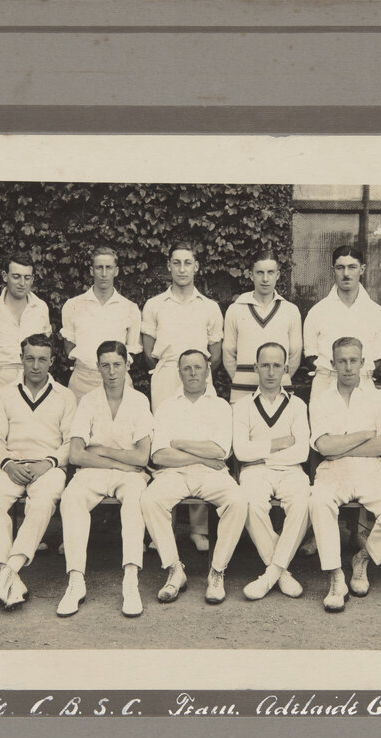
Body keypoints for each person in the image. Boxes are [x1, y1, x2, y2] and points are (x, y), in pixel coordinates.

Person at [308, 337, 381, 612]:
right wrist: (365, 434)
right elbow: (325, 448)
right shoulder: (320, 400)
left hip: (370, 470)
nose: (348, 367)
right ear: (333, 364)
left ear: (363, 363)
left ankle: (363, 558)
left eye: (354, 360)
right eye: (342, 361)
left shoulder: (379, 398)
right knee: (318, 502)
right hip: (333, 471)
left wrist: (343, 444)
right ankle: (336, 576)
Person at [140, 349, 248, 604]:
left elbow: (219, 451)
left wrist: (178, 443)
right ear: (179, 373)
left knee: (238, 500)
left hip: (212, 474)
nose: (192, 373)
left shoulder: (220, 406)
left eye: (197, 367)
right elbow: (159, 456)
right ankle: (175, 570)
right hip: (174, 473)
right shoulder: (166, 407)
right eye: (186, 368)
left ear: (207, 371)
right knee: (150, 500)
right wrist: (200, 455)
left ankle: (217, 571)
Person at [56, 341, 154, 618]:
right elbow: (76, 454)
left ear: (127, 366)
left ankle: (131, 580)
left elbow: (143, 457)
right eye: (105, 365)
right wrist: (117, 461)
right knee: (71, 497)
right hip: (96, 471)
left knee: (136, 499)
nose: (111, 372)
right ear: (98, 367)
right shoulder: (87, 400)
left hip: (130, 475)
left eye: (117, 365)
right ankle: (76, 580)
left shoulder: (139, 401)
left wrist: (104, 452)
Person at [0, 334, 76, 610]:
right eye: (30, 358)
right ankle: (8, 574)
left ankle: (10, 568)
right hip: (12, 465)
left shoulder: (65, 396)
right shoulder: (6, 394)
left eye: (42, 359)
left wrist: (48, 463)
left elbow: (71, 441)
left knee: (43, 501)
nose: (35, 365)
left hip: (48, 467)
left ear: (52, 362)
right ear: (21, 359)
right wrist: (8, 464)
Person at [141, 241, 224, 550]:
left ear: (196, 267)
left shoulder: (210, 307)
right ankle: (162, 525)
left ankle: (199, 528)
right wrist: (171, 368)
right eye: (176, 263)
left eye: (187, 263)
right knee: (165, 445)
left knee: (200, 442)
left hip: (200, 376)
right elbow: (148, 353)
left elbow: (214, 352)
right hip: (165, 376)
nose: (182, 269)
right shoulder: (154, 304)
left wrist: (197, 372)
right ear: (169, 267)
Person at [234, 342, 310, 601]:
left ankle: (271, 574)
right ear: (255, 367)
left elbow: (302, 452)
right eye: (264, 365)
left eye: (277, 365)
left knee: (302, 503)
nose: (270, 371)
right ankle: (283, 572)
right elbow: (241, 452)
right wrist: (278, 443)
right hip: (254, 472)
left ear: (286, 369)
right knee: (250, 503)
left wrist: (261, 453)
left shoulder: (297, 405)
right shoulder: (242, 405)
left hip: (290, 470)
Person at [0, 255, 53, 473]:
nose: (22, 283)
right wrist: (1, 364)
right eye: (16, 276)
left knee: (28, 443)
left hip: (30, 381)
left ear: (32, 279)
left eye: (27, 277)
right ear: (5, 277)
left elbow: (43, 348)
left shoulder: (40, 307)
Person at [302, 245, 381, 401]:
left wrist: (357, 373)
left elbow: (379, 358)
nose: (346, 274)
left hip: (363, 384)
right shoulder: (317, 311)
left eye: (352, 267)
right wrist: (331, 373)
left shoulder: (377, 312)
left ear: (362, 269)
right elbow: (310, 355)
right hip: (325, 384)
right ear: (332, 270)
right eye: (340, 268)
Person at [60, 246, 142, 400]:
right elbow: (69, 346)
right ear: (92, 271)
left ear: (116, 271)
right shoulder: (73, 305)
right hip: (82, 381)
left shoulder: (130, 308)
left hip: (118, 381)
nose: (104, 274)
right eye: (99, 268)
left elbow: (131, 350)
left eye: (109, 268)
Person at [222, 250, 302, 403]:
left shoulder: (290, 310)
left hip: (280, 392)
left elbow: (295, 355)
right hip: (242, 392)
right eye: (259, 272)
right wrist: (242, 378)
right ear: (251, 275)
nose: (265, 279)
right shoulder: (236, 308)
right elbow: (228, 352)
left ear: (277, 275)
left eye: (270, 272)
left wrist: (275, 380)